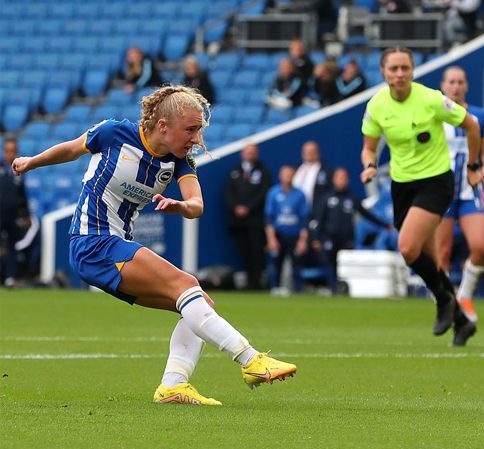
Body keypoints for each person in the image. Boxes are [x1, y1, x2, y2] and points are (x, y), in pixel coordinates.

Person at [10, 85, 297, 405]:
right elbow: (72, 149)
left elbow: (196, 204)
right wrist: (30, 162)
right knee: (188, 285)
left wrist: (180, 207)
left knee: (200, 304)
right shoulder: (114, 133)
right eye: (190, 129)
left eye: (198, 130)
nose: (195, 138)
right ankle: (250, 360)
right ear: (163, 125)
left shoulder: (179, 162)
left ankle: (173, 385)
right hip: (91, 242)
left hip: (113, 246)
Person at [360, 46, 481, 347]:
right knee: (429, 258)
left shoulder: (430, 99)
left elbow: (472, 125)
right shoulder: (376, 105)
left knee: (408, 247)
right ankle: (462, 323)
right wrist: (370, 165)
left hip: (436, 181)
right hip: (402, 186)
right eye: (393, 69)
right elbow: (368, 147)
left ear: (413, 71)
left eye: (405, 68)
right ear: (383, 72)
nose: (399, 74)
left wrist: (473, 166)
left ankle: (444, 301)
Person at [435, 66, 484, 323]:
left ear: (466, 86)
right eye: (452, 82)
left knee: (481, 246)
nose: (456, 86)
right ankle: (446, 304)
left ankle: (464, 296)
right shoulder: (435, 115)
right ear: (443, 86)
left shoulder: (478, 115)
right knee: (443, 253)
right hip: (443, 189)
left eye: (461, 81)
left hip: (470, 190)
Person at [311, 168, 392, 291]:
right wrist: (316, 238)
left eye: (344, 178)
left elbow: (366, 214)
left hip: (347, 238)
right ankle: (332, 288)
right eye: (340, 178)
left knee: (345, 266)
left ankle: (344, 290)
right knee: (331, 265)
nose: (342, 181)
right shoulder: (327, 198)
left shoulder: (352, 198)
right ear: (334, 180)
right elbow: (319, 219)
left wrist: (385, 225)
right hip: (330, 238)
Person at [224, 143, 272, 290]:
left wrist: (248, 208)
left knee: (256, 251)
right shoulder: (235, 171)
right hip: (239, 222)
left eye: (253, 152)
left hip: (255, 221)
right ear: (242, 153)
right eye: (248, 152)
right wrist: (236, 207)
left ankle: (257, 282)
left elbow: (264, 193)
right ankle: (248, 281)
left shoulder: (263, 171)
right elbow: (228, 193)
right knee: (243, 251)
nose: (250, 155)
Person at [265, 165, 309, 294]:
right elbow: (269, 219)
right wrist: (271, 239)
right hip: (279, 235)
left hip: (294, 236)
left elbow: (304, 220)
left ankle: (297, 291)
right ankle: (275, 289)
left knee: (297, 265)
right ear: (280, 176)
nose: (288, 177)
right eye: (285, 174)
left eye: (290, 174)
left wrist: (303, 240)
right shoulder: (273, 193)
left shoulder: (300, 195)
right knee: (276, 265)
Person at [1, 139, 30, 288]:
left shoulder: (20, 171)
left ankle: (10, 279)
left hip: (13, 216)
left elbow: (23, 196)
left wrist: (26, 215)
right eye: (7, 150)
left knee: (12, 247)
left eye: (13, 151)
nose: (10, 153)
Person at [292, 140, 334, 215]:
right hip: (295, 214)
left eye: (312, 151)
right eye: (306, 151)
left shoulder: (326, 171)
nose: (308, 154)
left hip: (315, 212)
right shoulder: (296, 169)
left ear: (318, 153)